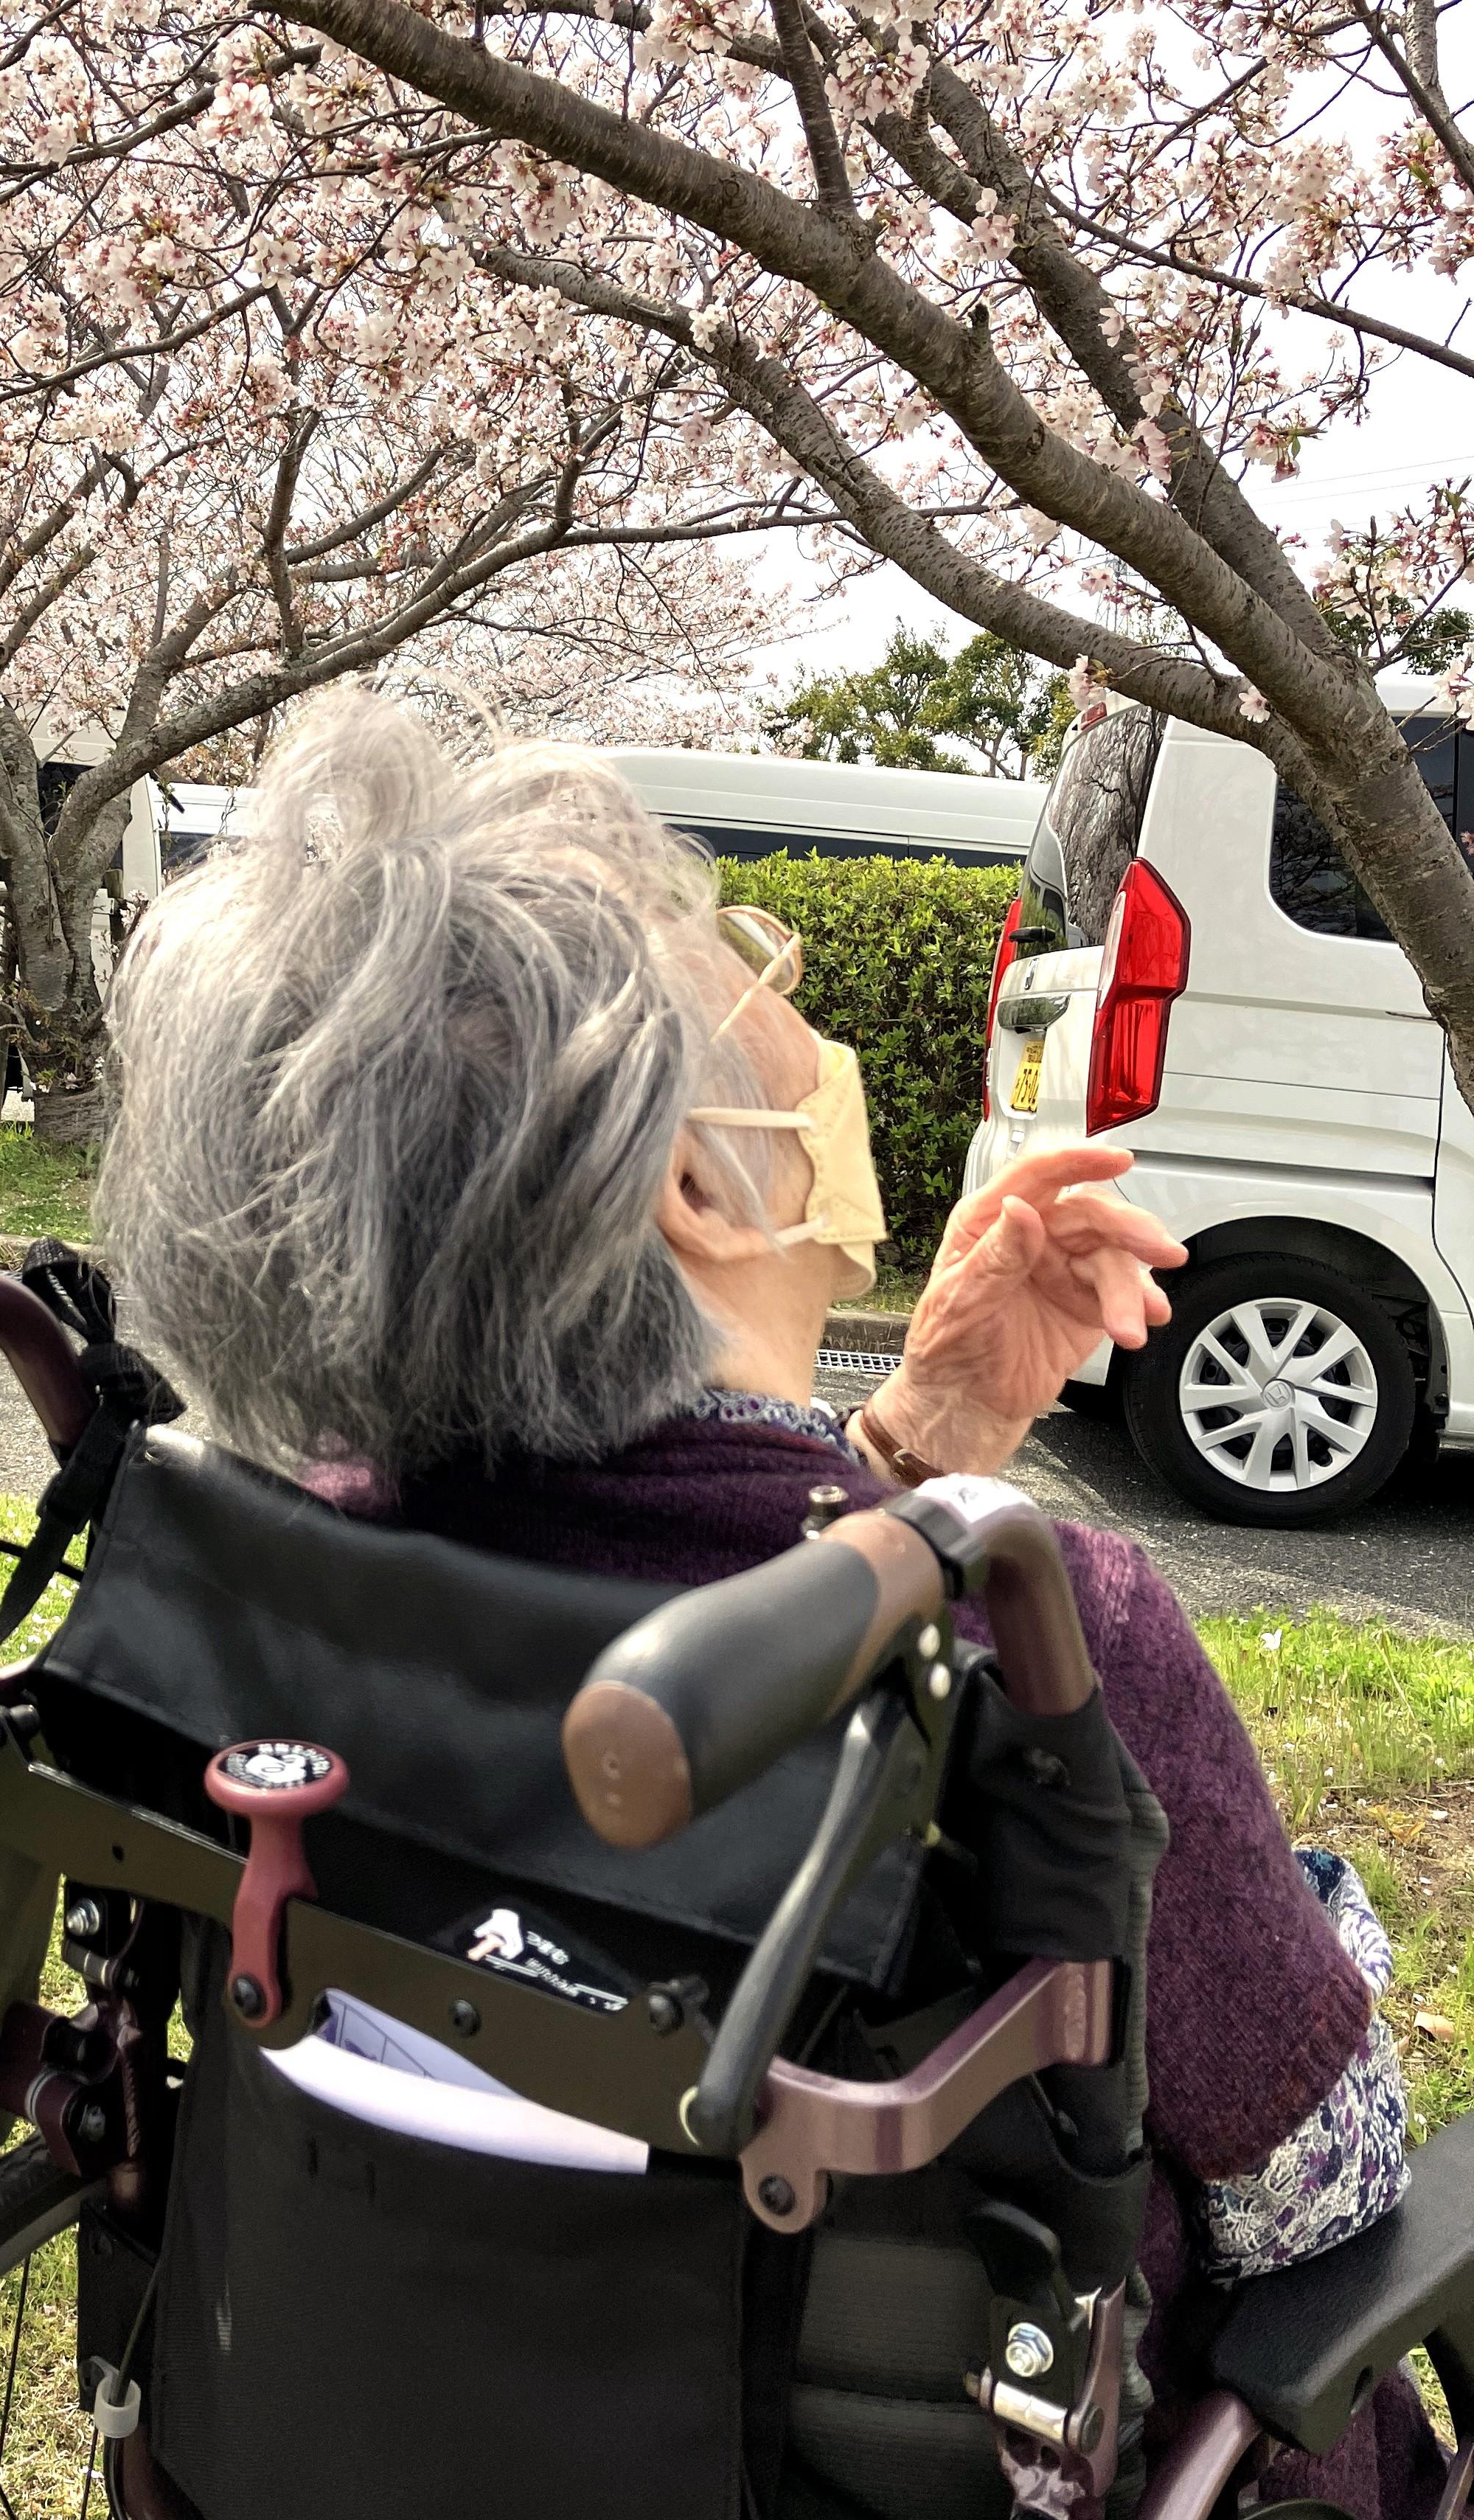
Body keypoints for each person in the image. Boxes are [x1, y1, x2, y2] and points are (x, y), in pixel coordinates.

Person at [97, 690, 1440, 2520]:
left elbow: (665, 1567)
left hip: (363, 2416)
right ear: (694, 1185)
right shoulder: (1040, 1638)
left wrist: (921, 1438)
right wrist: (1319, 1933)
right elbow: (1320, 2195)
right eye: (748, 970)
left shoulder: (299, 1571)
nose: (797, 1015)